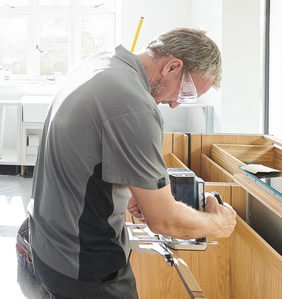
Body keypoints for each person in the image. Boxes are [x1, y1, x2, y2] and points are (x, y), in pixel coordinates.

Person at [29, 28, 237, 299]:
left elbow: (88, 151)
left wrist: (127, 191)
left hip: (49, 247)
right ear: (172, 67)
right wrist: (217, 224)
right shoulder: (134, 105)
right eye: (185, 93)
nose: (175, 103)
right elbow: (165, 221)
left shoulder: (101, 63)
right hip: (87, 267)